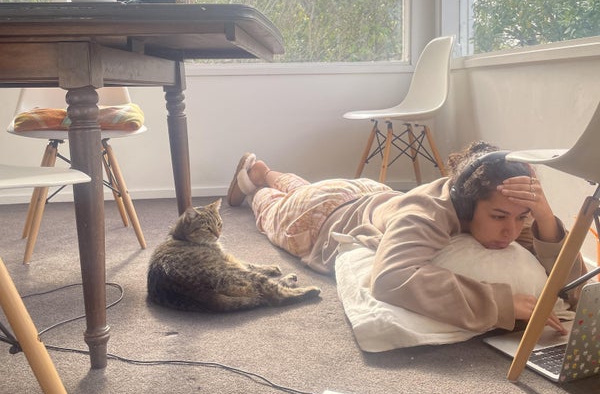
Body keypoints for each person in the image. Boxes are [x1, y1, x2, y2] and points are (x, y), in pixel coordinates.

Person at [226, 142, 585, 336]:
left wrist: (544, 217)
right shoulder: (427, 212)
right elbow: (390, 279)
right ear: (466, 203)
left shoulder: (505, 205)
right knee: (270, 208)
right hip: (323, 214)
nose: (511, 232)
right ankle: (254, 180)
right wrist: (500, 303)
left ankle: (265, 170)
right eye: (499, 218)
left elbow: (576, 288)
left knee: (302, 187)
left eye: (521, 218)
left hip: (372, 193)